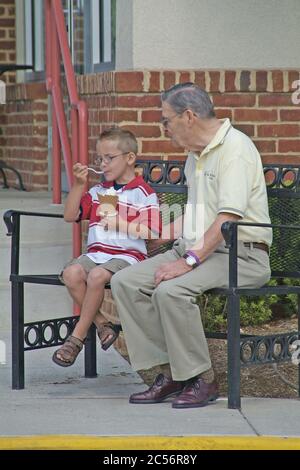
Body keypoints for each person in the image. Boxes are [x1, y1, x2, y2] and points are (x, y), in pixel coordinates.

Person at [111, 83, 272, 408]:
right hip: (200, 249)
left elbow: (228, 219)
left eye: (166, 120)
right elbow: (198, 212)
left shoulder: (235, 150)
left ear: (188, 116)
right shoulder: (194, 156)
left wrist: (187, 262)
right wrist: (157, 232)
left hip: (241, 255)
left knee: (172, 291)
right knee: (124, 281)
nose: (164, 128)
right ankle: (171, 372)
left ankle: (202, 379)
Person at [52, 127, 160, 367]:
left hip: (128, 255)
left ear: (130, 158)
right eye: (99, 158)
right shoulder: (99, 191)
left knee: (98, 276)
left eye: (109, 158)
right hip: (97, 254)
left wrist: (120, 223)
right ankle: (103, 325)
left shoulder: (143, 193)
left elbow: (151, 231)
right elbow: (70, 216)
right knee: (71, 273)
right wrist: (79, 185)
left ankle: (76, 339)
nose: (102, 163)